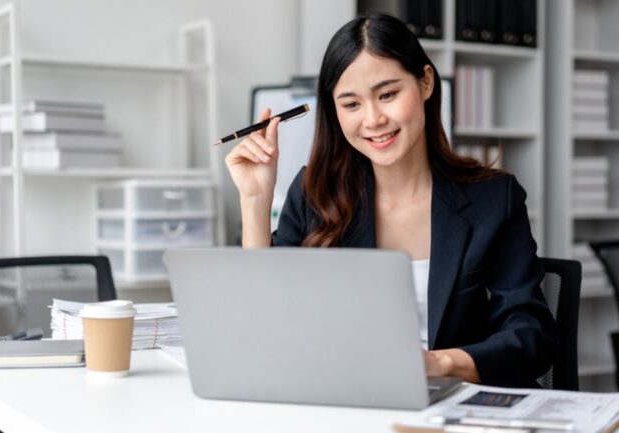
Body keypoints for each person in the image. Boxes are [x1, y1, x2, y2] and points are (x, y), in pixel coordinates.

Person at [225, 14, 556, 388]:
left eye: (387, 94)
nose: (373, 119)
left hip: (451, 402)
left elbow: (531, 336)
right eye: (351, 104)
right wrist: (255, 199)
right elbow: (264, 324)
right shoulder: (315, 193)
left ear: (426, 82)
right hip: (342, 398)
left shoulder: (493, 199)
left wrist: (435, 363)